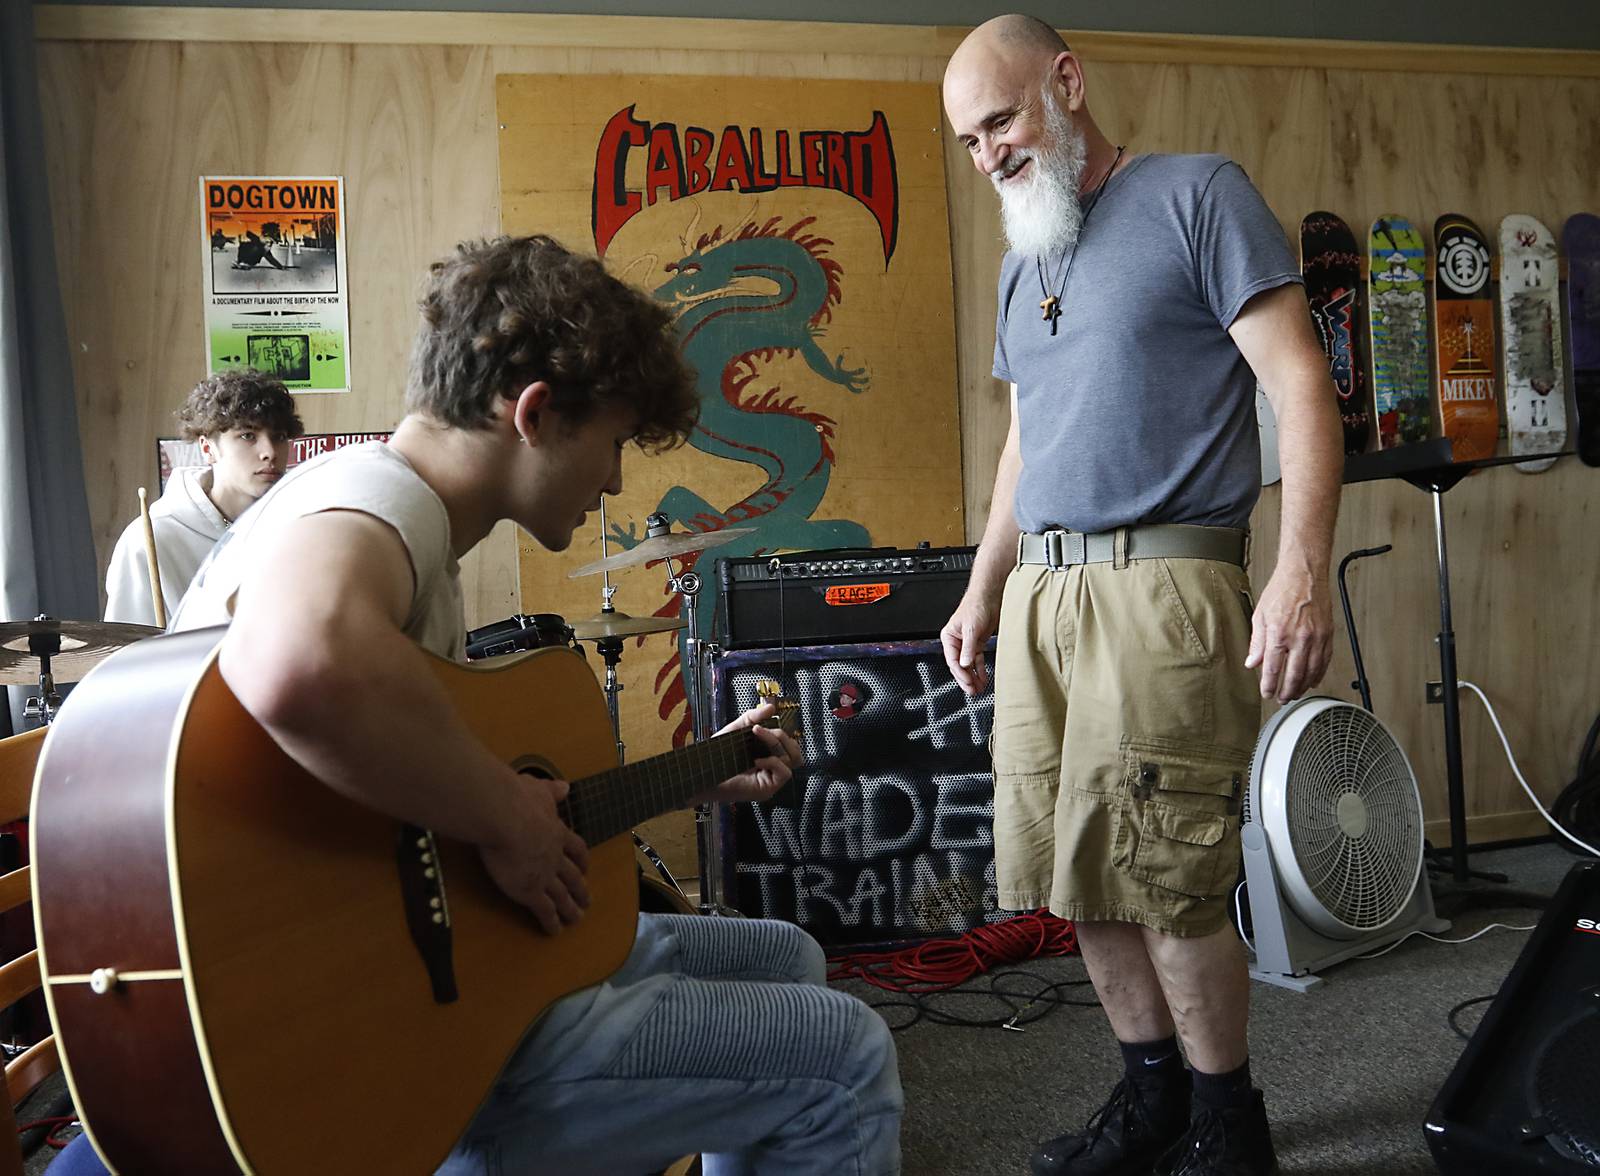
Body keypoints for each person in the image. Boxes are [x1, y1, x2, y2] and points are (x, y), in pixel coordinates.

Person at [169, 234, 902, 1175]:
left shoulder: (368, 513)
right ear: (537, 412)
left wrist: (685, 779)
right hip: (369, 1023)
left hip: (413, 957)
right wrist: (502, 816)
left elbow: (429, 794)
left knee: (783, 959)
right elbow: (301, 663)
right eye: (613, 443)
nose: (615, 482)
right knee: (844, 1056)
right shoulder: (378, 497)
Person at [940, 16, 1341, 1176]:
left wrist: (1299, 569)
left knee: (1167, 878)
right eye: (969, 141)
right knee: (1079, 873)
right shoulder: (1026, 261)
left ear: (1065, 82)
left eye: (1001, 121)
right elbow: (1027, 445)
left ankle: (1228, 1127)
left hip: (1165, 586)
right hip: (1042, 602)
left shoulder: (1196, 195)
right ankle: (1153, 1099)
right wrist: (981, 591)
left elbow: (1299, 385)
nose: (989, 157)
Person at [104, 369, 303, 625]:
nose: (269, 452)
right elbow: (126, 653)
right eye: (248, 435)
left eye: (279, 437)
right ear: (208, 448)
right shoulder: (150, 539)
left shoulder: (299, 526)